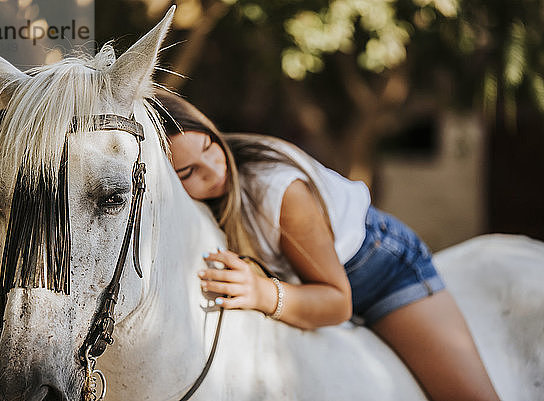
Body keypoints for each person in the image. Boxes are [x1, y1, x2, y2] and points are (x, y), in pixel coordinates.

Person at [153, 90, 500, 401]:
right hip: (305, 281)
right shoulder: (197, 206)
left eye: (210, 147)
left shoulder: (276, 189)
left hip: (379, 268)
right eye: (188, 173)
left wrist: (262, 293)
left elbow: (337, 301)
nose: (215, 169)